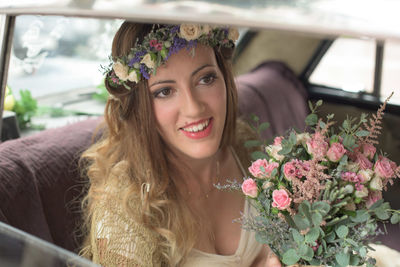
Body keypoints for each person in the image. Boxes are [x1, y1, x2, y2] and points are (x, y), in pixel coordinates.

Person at [80, 22, 282, 267]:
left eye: (206, 79)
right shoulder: (124, 208)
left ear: (224, 77)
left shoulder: (243, 143)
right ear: (140, 107)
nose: (194, 108)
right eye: (165, 91)